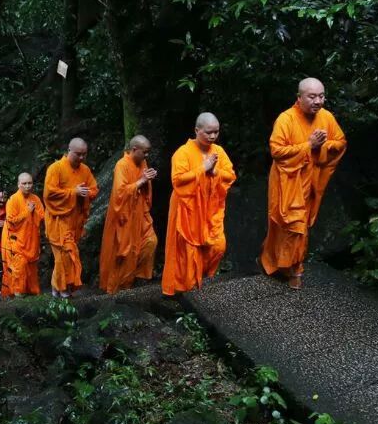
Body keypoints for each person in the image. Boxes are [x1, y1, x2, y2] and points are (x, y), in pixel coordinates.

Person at [260, 77, 347, 289]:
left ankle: (293, 268)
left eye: (321, 96)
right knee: (284, 224)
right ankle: (281, 264)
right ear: (299, 98)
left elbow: (341, 141)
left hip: (311, 182)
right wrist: (308, 145)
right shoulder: (286, 119)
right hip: (286, 181)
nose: (318, 101)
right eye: (312, 96)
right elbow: (277, 152)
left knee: (300, 226)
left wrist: (322, 147)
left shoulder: (326, 117)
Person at [161, 113, 237, 296]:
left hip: (210, 209)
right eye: (209, 132)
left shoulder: (218, 151)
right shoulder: (182, 153)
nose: (212, 136)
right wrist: (202, 169)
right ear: (197, 130)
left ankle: (200, 279)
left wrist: (214, 171)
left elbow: (231, 175)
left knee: (218, 245)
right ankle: (185, 290)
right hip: (187, 207)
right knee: (186, 250)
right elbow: (177, 180)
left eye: (216, 132)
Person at [99, 136, 158, 294]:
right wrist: (141, 181)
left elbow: (145, 189)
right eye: (144, 152)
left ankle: (136, 278)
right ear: (134, 150)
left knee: (151, 242)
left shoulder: (143, 163)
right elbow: (119, 193)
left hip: (140, 213)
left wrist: (148, 180)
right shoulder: (121, 165)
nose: (147, 156)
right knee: (123, 253)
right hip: (123, 216)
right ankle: (118, 289)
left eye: (148, 153)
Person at [43, 138, 99, 297]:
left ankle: (57, 285)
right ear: (69, 151)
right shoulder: (56, 168)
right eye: (78, 154)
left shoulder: (85, 170)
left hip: (75, 221)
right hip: (58, 220)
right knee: (64, 254)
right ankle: (62, 288)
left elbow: (94, 188)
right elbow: (49, 194)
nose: (81, 158)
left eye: (84, 154)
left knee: (68, 254)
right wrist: (73, 192)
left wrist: (87, 193)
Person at [0, 173, 45, 296]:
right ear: (18, 184)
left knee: (31, 266)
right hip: (14, 239)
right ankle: (17, 292)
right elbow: (11, 221)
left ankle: (30, 291)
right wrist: (27, 211)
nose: (27, 186)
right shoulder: (13, 200)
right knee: (18, 265)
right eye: (24, 183)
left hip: (30, 239)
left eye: (30, 183)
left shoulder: (35, 199)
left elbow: (42, 216)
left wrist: (34, 211)